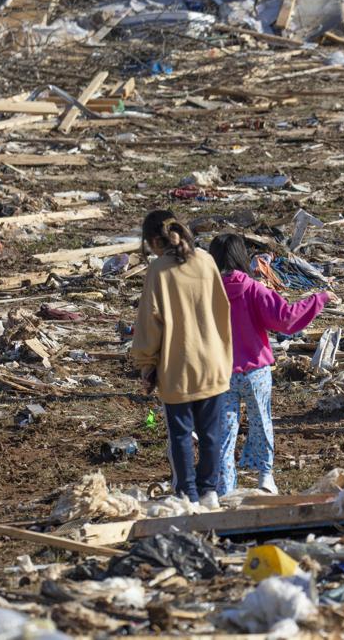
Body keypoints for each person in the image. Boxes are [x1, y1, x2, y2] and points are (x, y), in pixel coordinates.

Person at [208, 234, 337, 496]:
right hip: (255, 371)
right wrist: (318, 299)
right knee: (261, 423)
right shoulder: (255, 289)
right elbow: (285, 319)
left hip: (222, 374)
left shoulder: (208, 294)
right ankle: (265, 476)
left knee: (224, 432)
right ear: (241, 257)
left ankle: (224, 488)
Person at [130, 210, 232, 510]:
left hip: (177, 365)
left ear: (152, 241)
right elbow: (221, 309)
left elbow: (150, 322)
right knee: (212, 432)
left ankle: (187, 492)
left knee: (181, 435)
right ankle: (210, 491)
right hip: (212, 360)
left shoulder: (159, 272)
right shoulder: (206, 261)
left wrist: (146, 364)